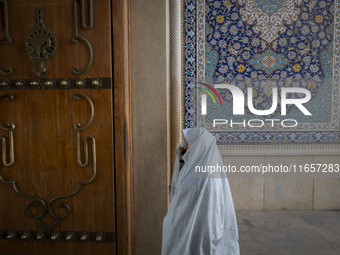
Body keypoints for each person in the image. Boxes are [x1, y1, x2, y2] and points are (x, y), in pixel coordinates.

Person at [161, 127, 240, 255]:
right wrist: (181, 160)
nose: (185, 147)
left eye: (189, 144)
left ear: (200, 146)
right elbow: (179, 188)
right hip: (185, 225)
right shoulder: (192, 165)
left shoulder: (208, 173)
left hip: (202, 229)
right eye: (185, 143)